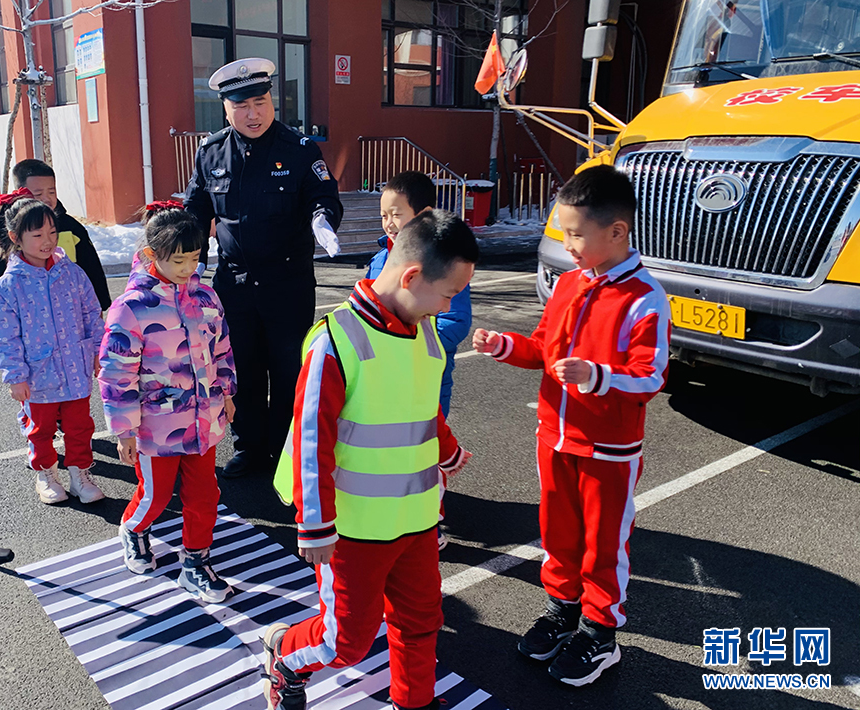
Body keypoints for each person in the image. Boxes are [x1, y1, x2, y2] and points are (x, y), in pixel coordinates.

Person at [262, 210, 476, 710]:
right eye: (449, 293)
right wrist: (315, 524)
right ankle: (285, 657)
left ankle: (414, 702)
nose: (450, 306)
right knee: (346, 643)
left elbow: (420, 405)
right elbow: (311, 437)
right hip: (353, 531)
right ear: (411, 277)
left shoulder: (426, 332)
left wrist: (446, 450)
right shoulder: (336, 339)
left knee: (421, 623)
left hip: (417, 520)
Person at [472, 164, 670, 686]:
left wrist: (597, 375)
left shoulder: (644, 297)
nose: (567, 244)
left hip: (608, 450)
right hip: (554, 438)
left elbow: (650, 376)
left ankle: (601, 634)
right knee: (558, 535)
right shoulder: (568, 284)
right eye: (563, 232)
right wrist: (504, 346)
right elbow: (543, 347)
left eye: (576, 234)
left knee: (604, 545)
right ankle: (563, 611)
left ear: (617, 231)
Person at [184, 58, 344, 479]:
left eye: (260, 102)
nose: (252, 114)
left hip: (286, 284)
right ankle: (251, 448)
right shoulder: (211, 152)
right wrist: (190, 258)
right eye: (241, 106)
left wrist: (322, 219)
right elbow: (196, 208)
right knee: (242, 370)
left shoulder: (299, 149)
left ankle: (286, 452)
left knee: (288, 370)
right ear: (226, 109)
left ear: (272, 101)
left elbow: (323, 195)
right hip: (234, 284)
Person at [98, 201, 238, 603]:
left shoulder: (206, 297)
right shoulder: (131, 309)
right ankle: (134, 527)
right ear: (151, 254)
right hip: (155, 427)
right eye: (178, 260)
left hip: (204, 420)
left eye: (194, 258)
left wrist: (227, 391)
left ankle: (195, 562)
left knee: (205, 495)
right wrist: (124, 430)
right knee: (156, 495)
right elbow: (117, 373)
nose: (188, 268)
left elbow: (222, 349)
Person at [367, 171, 473, 551]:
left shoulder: (443, 262)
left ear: (423, 214)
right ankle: (397, 508)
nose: (389, 223)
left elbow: (454, 320)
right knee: (389, 449)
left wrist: (412, 349)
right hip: (384, 378)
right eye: (384, 215)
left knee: (425, 451)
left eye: (396, 214)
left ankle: (431, 520)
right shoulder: (381, 258)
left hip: (425, 381)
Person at [0, 193, 105, 506]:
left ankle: (80, 474)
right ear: (15, 237)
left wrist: (98, 350)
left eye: (52, 232)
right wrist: (15, 376)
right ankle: (46, 474)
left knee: (80, 426)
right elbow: (4, 337)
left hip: (76, 369)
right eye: (37, 235)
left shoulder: (72, 273)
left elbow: (92, 314)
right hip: (37, 375)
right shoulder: (9, 286)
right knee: (40, 429)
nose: (47, 241)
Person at [0, 159, 112, 323]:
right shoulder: (2, 231)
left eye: (52, 192)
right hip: (24, 316)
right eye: (38, 194)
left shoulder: (71, 227)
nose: (47, 199)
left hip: (69, 311)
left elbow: (91, 267)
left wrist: (99, 304)